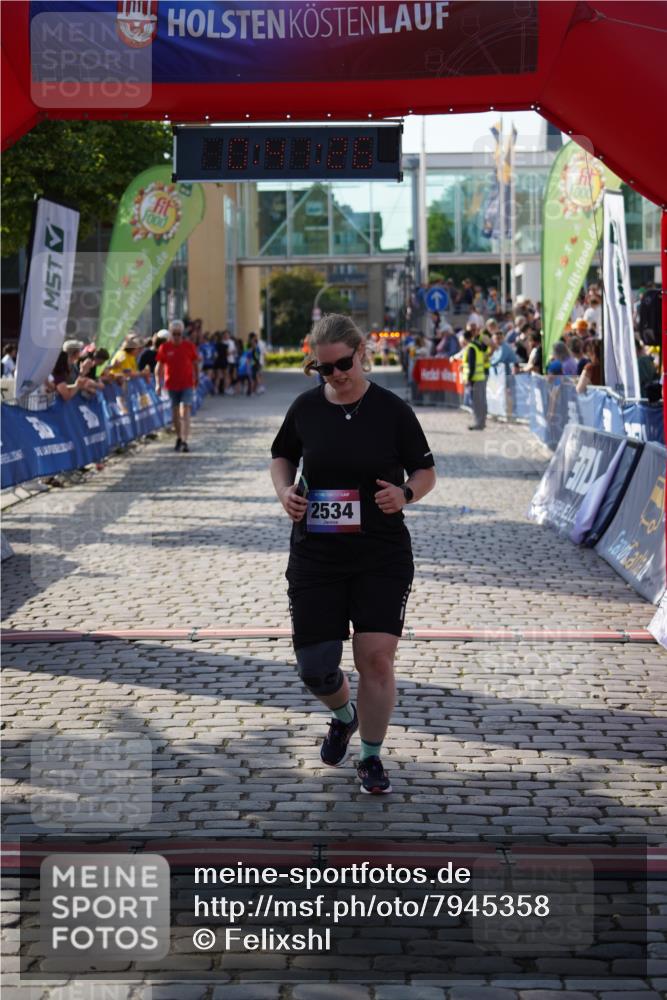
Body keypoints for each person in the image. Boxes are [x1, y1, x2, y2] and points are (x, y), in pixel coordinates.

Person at [270, 314, 436, 795]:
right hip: (316, 554)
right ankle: (344, 716)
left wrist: (404, 494)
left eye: (344, 363)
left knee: (376, 659)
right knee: (316, 668)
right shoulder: (305, 409)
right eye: (325, 369)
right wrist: (285, 492)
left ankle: (370, 757)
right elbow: (282, 456)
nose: (337, 375)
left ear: (361, 352)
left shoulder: (392, 410)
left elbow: (425, 472)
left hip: (380, 552)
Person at [155, 319, 199, 452]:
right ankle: (179, 437)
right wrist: (158, 383)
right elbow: (159, 367)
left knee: (184, 410)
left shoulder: (189, 346)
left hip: (187, 383)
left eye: (179, 333)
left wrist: (197, 378)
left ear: (182, 333)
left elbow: (195, 363)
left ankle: (185, 440)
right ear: (170, 333)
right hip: (171, 385)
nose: (177, 336)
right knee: (175, 412)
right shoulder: (164, 348)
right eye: (174, 333)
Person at [462, 324, 488, 430]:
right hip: (480, 377)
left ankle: (478, 423)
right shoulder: (478, 345)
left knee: (477, 403)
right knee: (481, 402)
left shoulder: (471, 347)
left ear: (465, 339)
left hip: (475, 379)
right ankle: (481, 422)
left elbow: (471, 365)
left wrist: (469, 378)